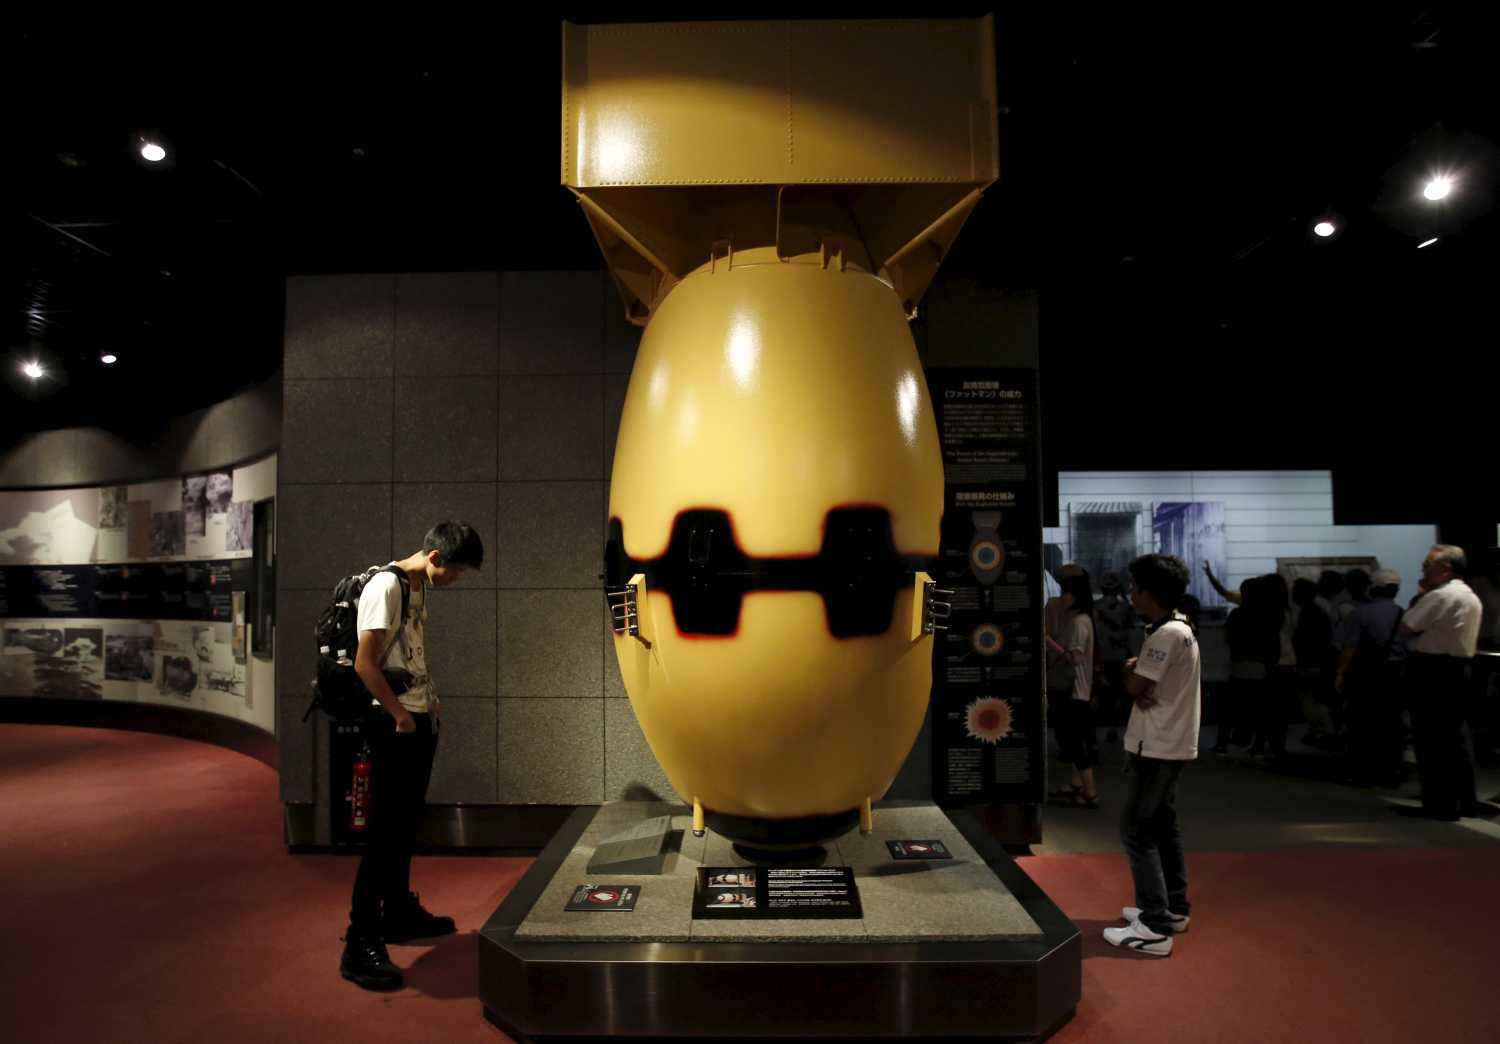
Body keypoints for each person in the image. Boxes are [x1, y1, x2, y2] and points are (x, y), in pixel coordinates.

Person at [340, 521, 485, 991]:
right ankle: (360, 942)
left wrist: (427, 702)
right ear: (435, 557)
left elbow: (409, 653)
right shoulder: (387, 586)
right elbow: (365, 663)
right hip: (393, 722)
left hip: (416, 717)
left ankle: (397, 912)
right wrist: (400, 714)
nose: (456, 581)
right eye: (456, 572)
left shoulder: (417, 586)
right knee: (384, 830)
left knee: (404, 823)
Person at [1104, 554, 1201, 958]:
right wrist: (1137, 673)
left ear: (1149, 592)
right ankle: (1173, 906)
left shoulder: (1164, 636)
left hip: (1158, 744)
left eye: (1135, 587)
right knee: (1163, 825)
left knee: (1137, 829)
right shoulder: (1178, 628)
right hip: (1169, 741)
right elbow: (1142, 682)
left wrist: (1130, 670)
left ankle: (1156, 925)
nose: (1131, 593)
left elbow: (1133, 685)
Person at [1398, 545, 1483, 821]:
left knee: (1431, 739)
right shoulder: (1470, 596)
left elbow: (1407, 626)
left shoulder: (1440, 596)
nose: (1423, 571)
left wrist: (1421, 596)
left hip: (1433, 670)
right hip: (1460, 668)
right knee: (1456, 737)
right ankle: (1465, 800)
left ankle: (1440, 803)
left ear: (1445, 569)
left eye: (1427, 566)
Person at [1335, 569, 1406, 787]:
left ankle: (1363, 771)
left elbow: (1349, 646)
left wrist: (1340, 673)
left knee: (1362, 724)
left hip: (1366, 674)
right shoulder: (1402, 613)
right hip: (1395, 674)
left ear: (1373, 587)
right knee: (1391, 724)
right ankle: (1391, 771)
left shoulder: (1360, 613)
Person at [1047, 571, 1099, 807]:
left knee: (1073, 742)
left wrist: (1048, 643)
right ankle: (1077, 784)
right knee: (1075, 740)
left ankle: (1090, 791)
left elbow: (1074, 658)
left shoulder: (1078, 622)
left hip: (1073, 689)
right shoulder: (1082, 618)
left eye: (1066, 593)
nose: (1063, 597)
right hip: (1079, 689)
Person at [1095, 572, 1135, 742]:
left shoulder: (1095, 606)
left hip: (1102, 656)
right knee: (1121, 693)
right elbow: (1129, 631)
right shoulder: (1126, 608)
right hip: (1121, 656)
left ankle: (1109, 725)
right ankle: (1118, 726)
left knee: (1105, 694)